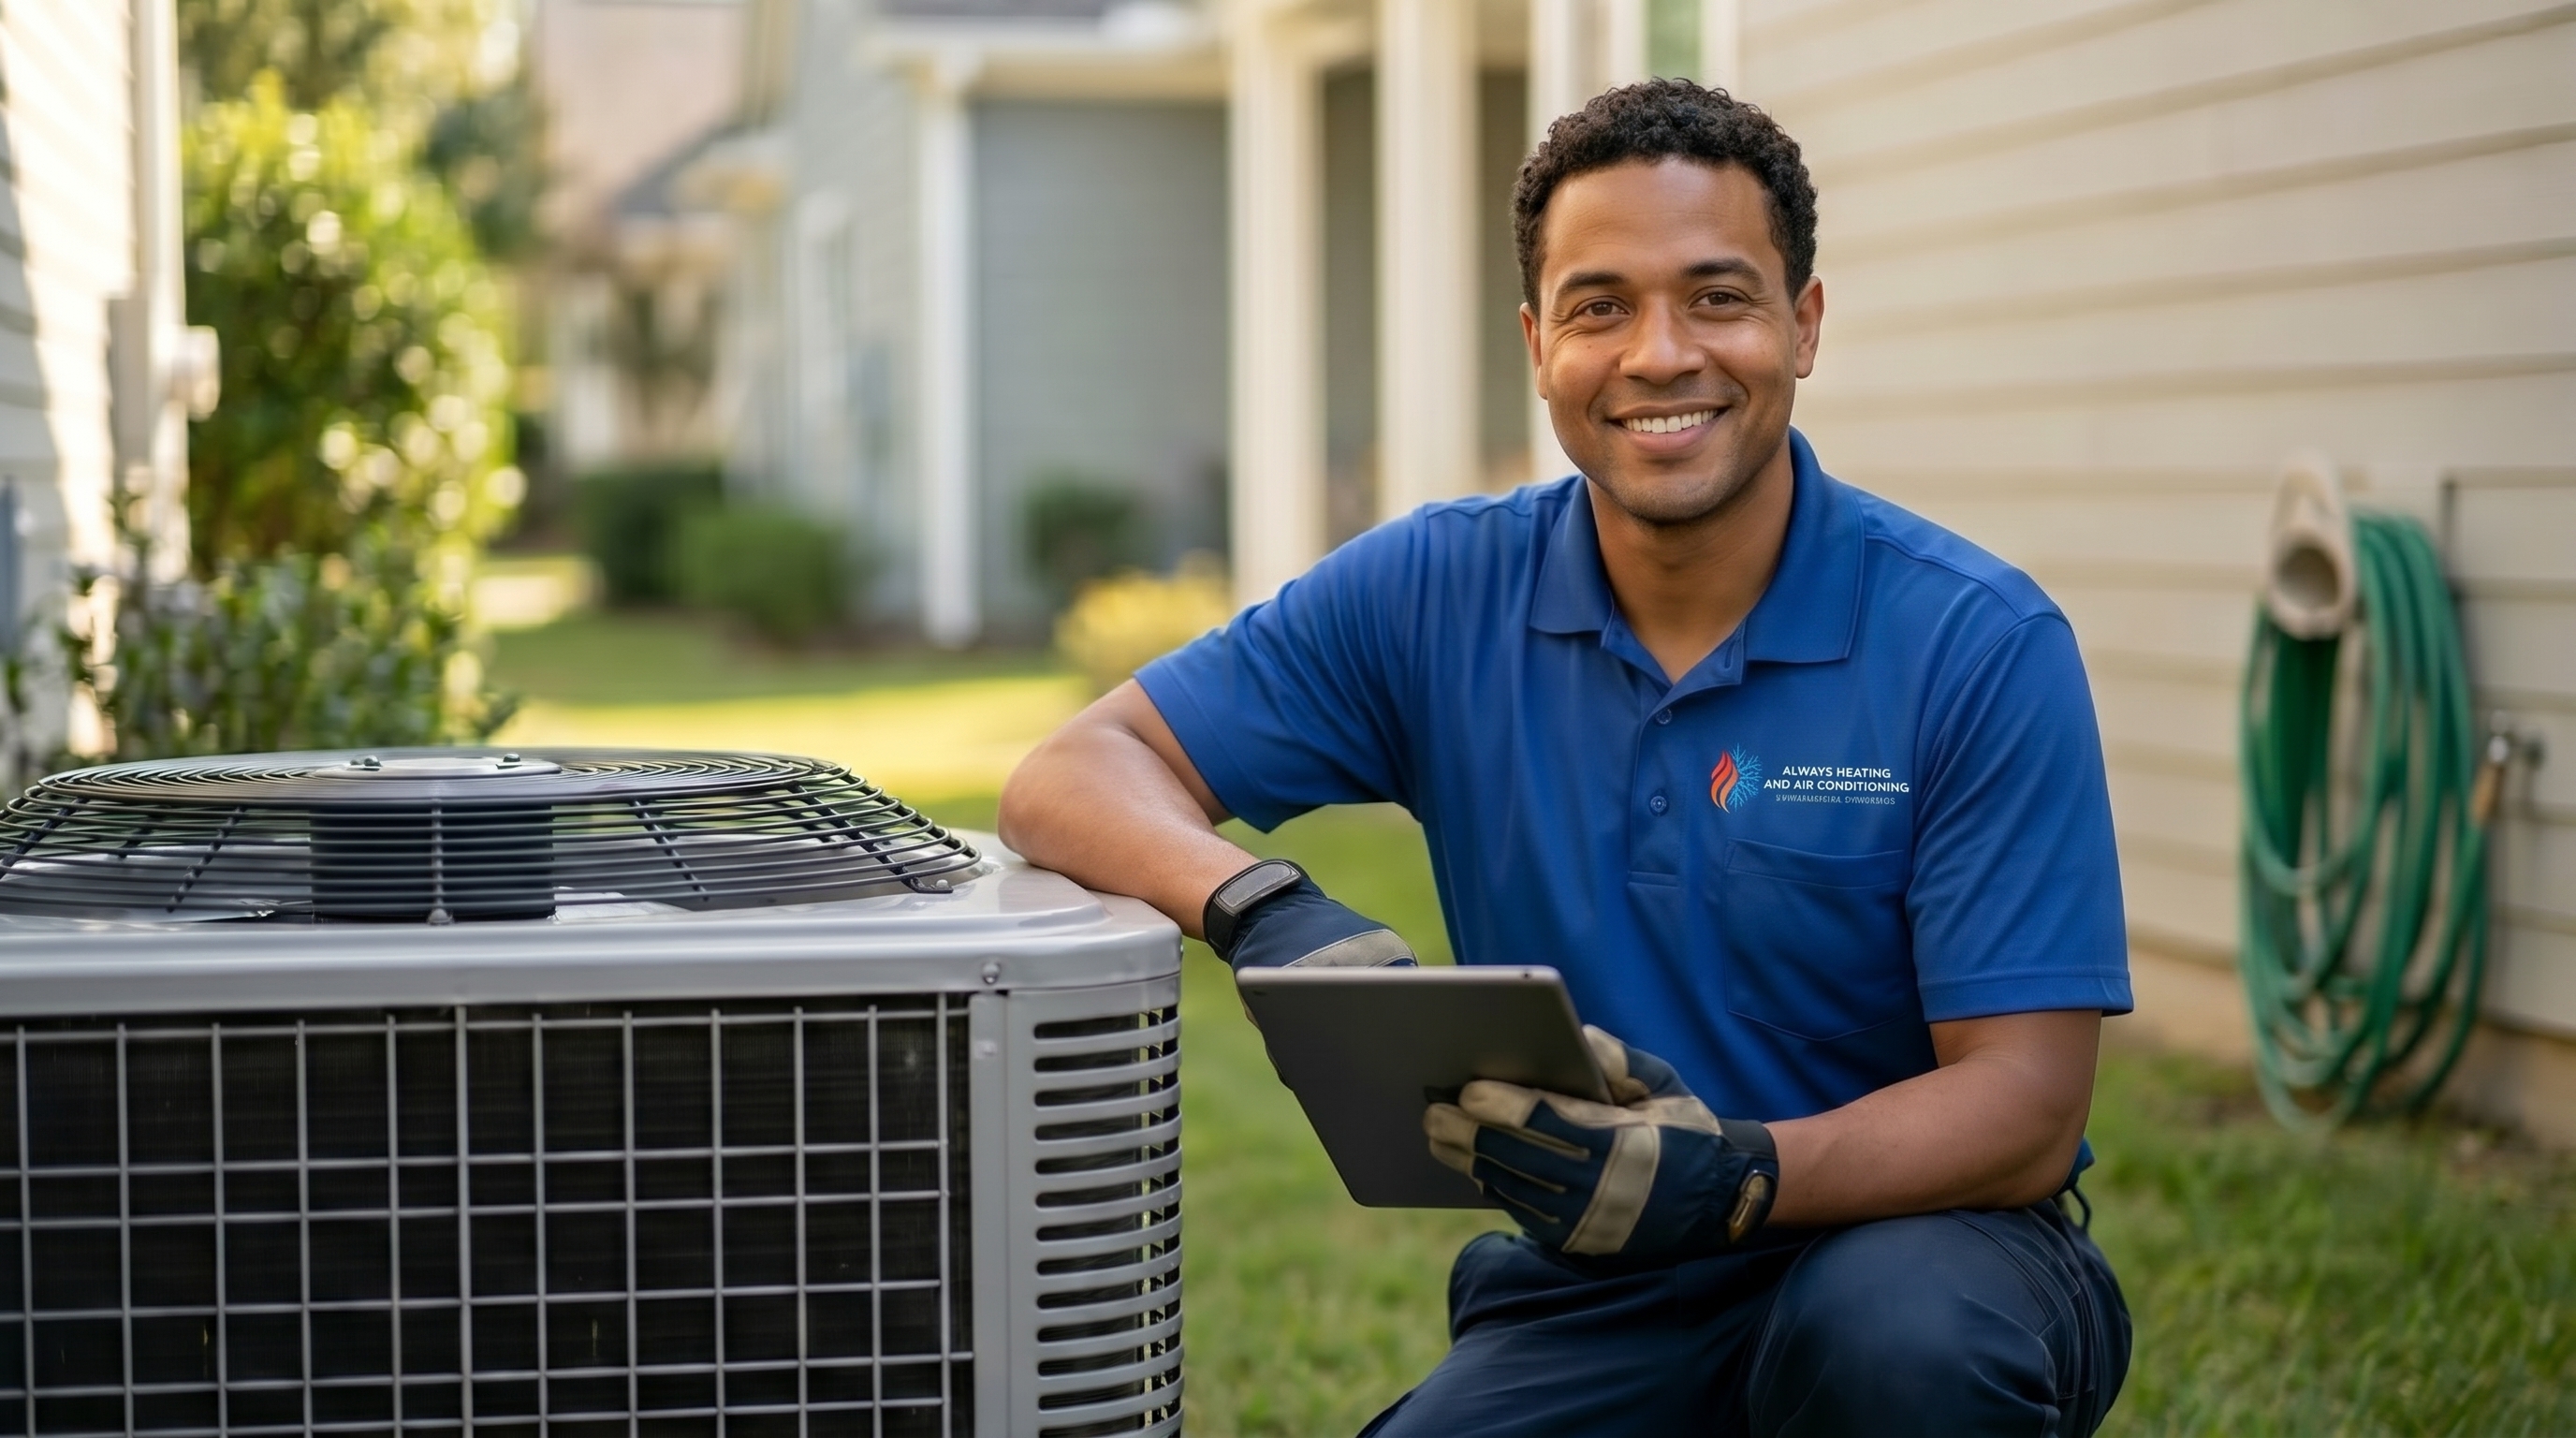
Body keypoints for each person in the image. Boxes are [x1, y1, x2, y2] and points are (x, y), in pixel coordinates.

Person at [999, 78, 2132, 1437]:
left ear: (1803, 325)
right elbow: (1072, 772)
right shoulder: (1436, 593)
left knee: (1895, 1350)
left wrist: (1738, 1178)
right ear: (1540, 345)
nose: (1660, 354)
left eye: (1718, 296)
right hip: (1609, 1287)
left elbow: (2025, 1107)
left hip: (1932, 1255)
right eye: (1602, 307)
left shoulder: (1976, 642)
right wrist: (1262, 910)